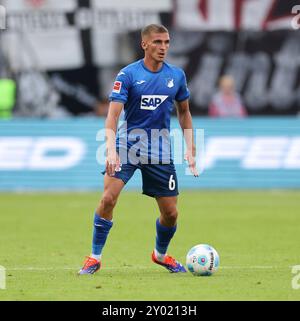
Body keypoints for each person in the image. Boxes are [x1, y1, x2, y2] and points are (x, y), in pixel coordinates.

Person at [78, 24, 198, 275]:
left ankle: (161, 255)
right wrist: (111, 150)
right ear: (145, 44)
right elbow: (112, 117)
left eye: (166, 42)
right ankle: (94, 257)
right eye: (157, 42)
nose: (163, 47)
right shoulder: (128, 75)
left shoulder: (176, 76)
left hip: (160, 151)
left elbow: (184, 112)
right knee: (108, 199)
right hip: (127, 146)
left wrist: (190, 147)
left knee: (171, 214)